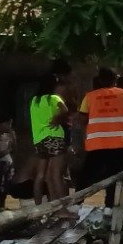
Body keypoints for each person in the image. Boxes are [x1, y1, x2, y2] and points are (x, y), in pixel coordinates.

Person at [78, 67, 123, 208]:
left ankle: (76, 204)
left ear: (100, 80)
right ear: (116, 80)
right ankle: (110, 208)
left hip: (97, 144)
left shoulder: (89, 97)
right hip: (120, 145)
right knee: (115, 177)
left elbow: (82, 119)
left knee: (86, 176)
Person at [28, 72, 71, 204]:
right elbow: (65, 111)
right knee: (56, 175)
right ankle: (61, 208)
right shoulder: (53, 98)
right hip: (54, 138)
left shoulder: (34, 100)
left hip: (39, 140)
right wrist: (57, 119)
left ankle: (39, 206)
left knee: (41, 175)